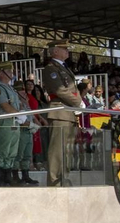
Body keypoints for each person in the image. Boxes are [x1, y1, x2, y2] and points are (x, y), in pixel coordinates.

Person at [40, 42, 82, 187]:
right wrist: (78, 101)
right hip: (59, 111)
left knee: (66, 149)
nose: (67, 51)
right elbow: (60, 90)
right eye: (64, 49)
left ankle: (63, 177)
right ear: (55, 51)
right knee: (57, 149)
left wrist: (77, 102)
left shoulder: (63, 67)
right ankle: (55, 180)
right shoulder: (50, 68)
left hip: (67, 111)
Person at [15, 80, 37, 185]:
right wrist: (31, 125)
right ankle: (15, 176)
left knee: (27, 155)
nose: (23, 91)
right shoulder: (16, 102)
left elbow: (31, 115)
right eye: (20, 90)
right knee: (19, 154)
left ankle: (25, 175)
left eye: (23, 89)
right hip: (21, 130)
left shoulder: (26, 101)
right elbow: (19, 119)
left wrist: (35, 123)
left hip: (29, 131)